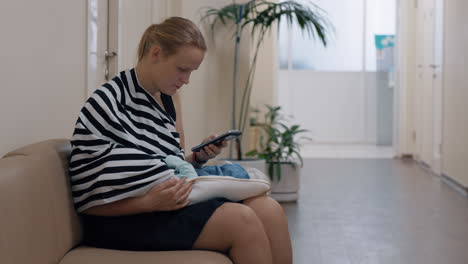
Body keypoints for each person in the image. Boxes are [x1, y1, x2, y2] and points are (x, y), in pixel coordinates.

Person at [69, 17, 292, 264]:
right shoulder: (106, 104)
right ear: (156, 53)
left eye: (191, 72)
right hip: (122, 220)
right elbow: (87, 201)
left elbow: (166, 166)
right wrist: (148, 202)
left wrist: (197, 159)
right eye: (182, 69)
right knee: (242, 221)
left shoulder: (168, 99)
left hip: (165, 207)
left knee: (269, 210)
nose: (186, 80)